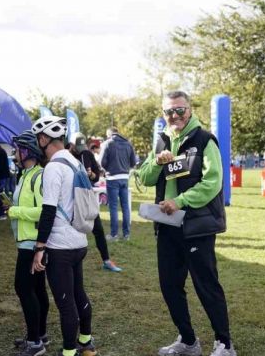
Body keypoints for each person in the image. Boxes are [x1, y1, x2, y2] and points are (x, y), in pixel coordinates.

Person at [138, 90, 235, 356]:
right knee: (169, 285)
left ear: (189, 111)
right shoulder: (161, 141)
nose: (175, 115)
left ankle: (224, 343)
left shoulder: (204, 140)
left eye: (180, 110)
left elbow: (213, 183)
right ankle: (188, 340)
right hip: (167, 227)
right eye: (169, 111)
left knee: (206, 284)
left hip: (196, 226)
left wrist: (180, 201)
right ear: (163, 113)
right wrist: (157, 162)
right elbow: (145, 178)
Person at [30, 116, 98, 356]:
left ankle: (69, 351)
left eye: (39, 139)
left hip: (60, 246)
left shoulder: (53, 167)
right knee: (79, 293)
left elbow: (48, 210)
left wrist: (39, 248)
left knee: (65, 301)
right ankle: (86, 341)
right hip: (79, 240)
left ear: (44, 138)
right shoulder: (76, 162)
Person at [8, 130, 50, 356]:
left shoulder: (38, 176)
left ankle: (35, 342)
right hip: (27, 242)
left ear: (26, 151)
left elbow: (44, 211)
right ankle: (39, 334)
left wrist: (14, 210)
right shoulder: (25, 174)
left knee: (24, 288)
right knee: (36, 289)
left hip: (32, 244)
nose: (15, 153)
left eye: (17, 149)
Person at [69, 133, 123, 272]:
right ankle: (69, 262)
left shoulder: (87, 154)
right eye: (77, 147)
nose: (81, 150)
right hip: (70, 200)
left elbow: (97, 175)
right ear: (71, 145)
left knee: (98, 229)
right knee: (73, 230)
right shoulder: (65, 156)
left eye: (82, 146)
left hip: (87, 198)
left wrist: (91, 175)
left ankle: (106, 260)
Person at [100, 127, 136, 241]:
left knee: (113, 207)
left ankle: (114, 235)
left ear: (109, 134)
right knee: (125, 207)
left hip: (112, 178)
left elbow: (102, 162)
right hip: (125, 178)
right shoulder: (128, 144)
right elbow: (133, 162)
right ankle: (126, 235)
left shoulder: (108, 143)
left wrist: (108, 169)